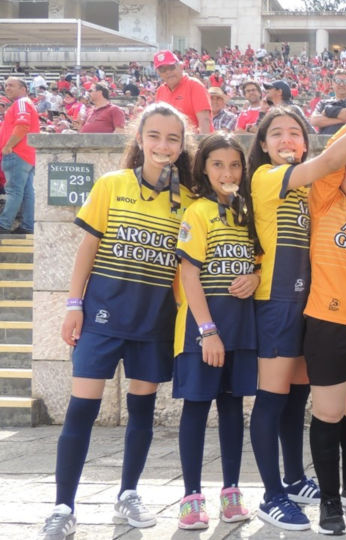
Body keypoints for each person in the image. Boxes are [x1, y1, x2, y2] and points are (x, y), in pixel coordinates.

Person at [245, 79, 346, 532]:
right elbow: (338, 151)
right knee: (324, 411)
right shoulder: (323, 195)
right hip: (321, 319)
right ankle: (326, 502)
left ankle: (345, 485)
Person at [39, 103, 196, 540]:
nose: (163, 146)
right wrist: (74, 304)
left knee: (141, 412)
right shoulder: (111, 185)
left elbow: (187, 268)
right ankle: (63, 506)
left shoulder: (188, 202)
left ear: (182, 147)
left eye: (173, 139)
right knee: (81, 411)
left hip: (154, 324)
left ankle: (128, 493)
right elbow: (87, 250)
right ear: (140, 139)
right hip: (102, 318)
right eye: (155, 136)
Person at [173, 134, 258, 529]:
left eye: (235, 165)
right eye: (218, 164)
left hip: (240, 329)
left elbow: (257, 264)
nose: (228, 172)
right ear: (204, 169)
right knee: (196, 406)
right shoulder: (198, 212)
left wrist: (255, 277)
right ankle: (191, 496)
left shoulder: (245, 212)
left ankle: (231, 491)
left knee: (231, 407)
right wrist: (207, 331)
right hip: (201, 330)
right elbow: (189, 274)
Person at [0, 76, 39, 234]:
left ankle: (4, 224)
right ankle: (28, 225)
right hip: (28, 154)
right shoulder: (27, 103)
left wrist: (8, 146)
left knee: (14, 191)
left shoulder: (21, 103)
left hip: (17, 153)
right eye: (6, 85)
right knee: (27, 192)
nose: (7, 88)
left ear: (23, 89)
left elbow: (23, 125)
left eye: (12, 85)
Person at [153, 50, 212, 133]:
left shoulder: (194, 85)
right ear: (159, 73)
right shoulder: (160, 91)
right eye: (163, 70)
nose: (168, 72)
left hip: (192, 142)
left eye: (171, 67)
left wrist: (201, 144)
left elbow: (204, 121)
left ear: (181, 66)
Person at [311, 69, 346, 135]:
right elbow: (315, 120)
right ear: (333, 84)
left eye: (345, 82)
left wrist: (328, 110)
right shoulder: (323, 103)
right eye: (338, 81)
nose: (341, 84)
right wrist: (342, 119)